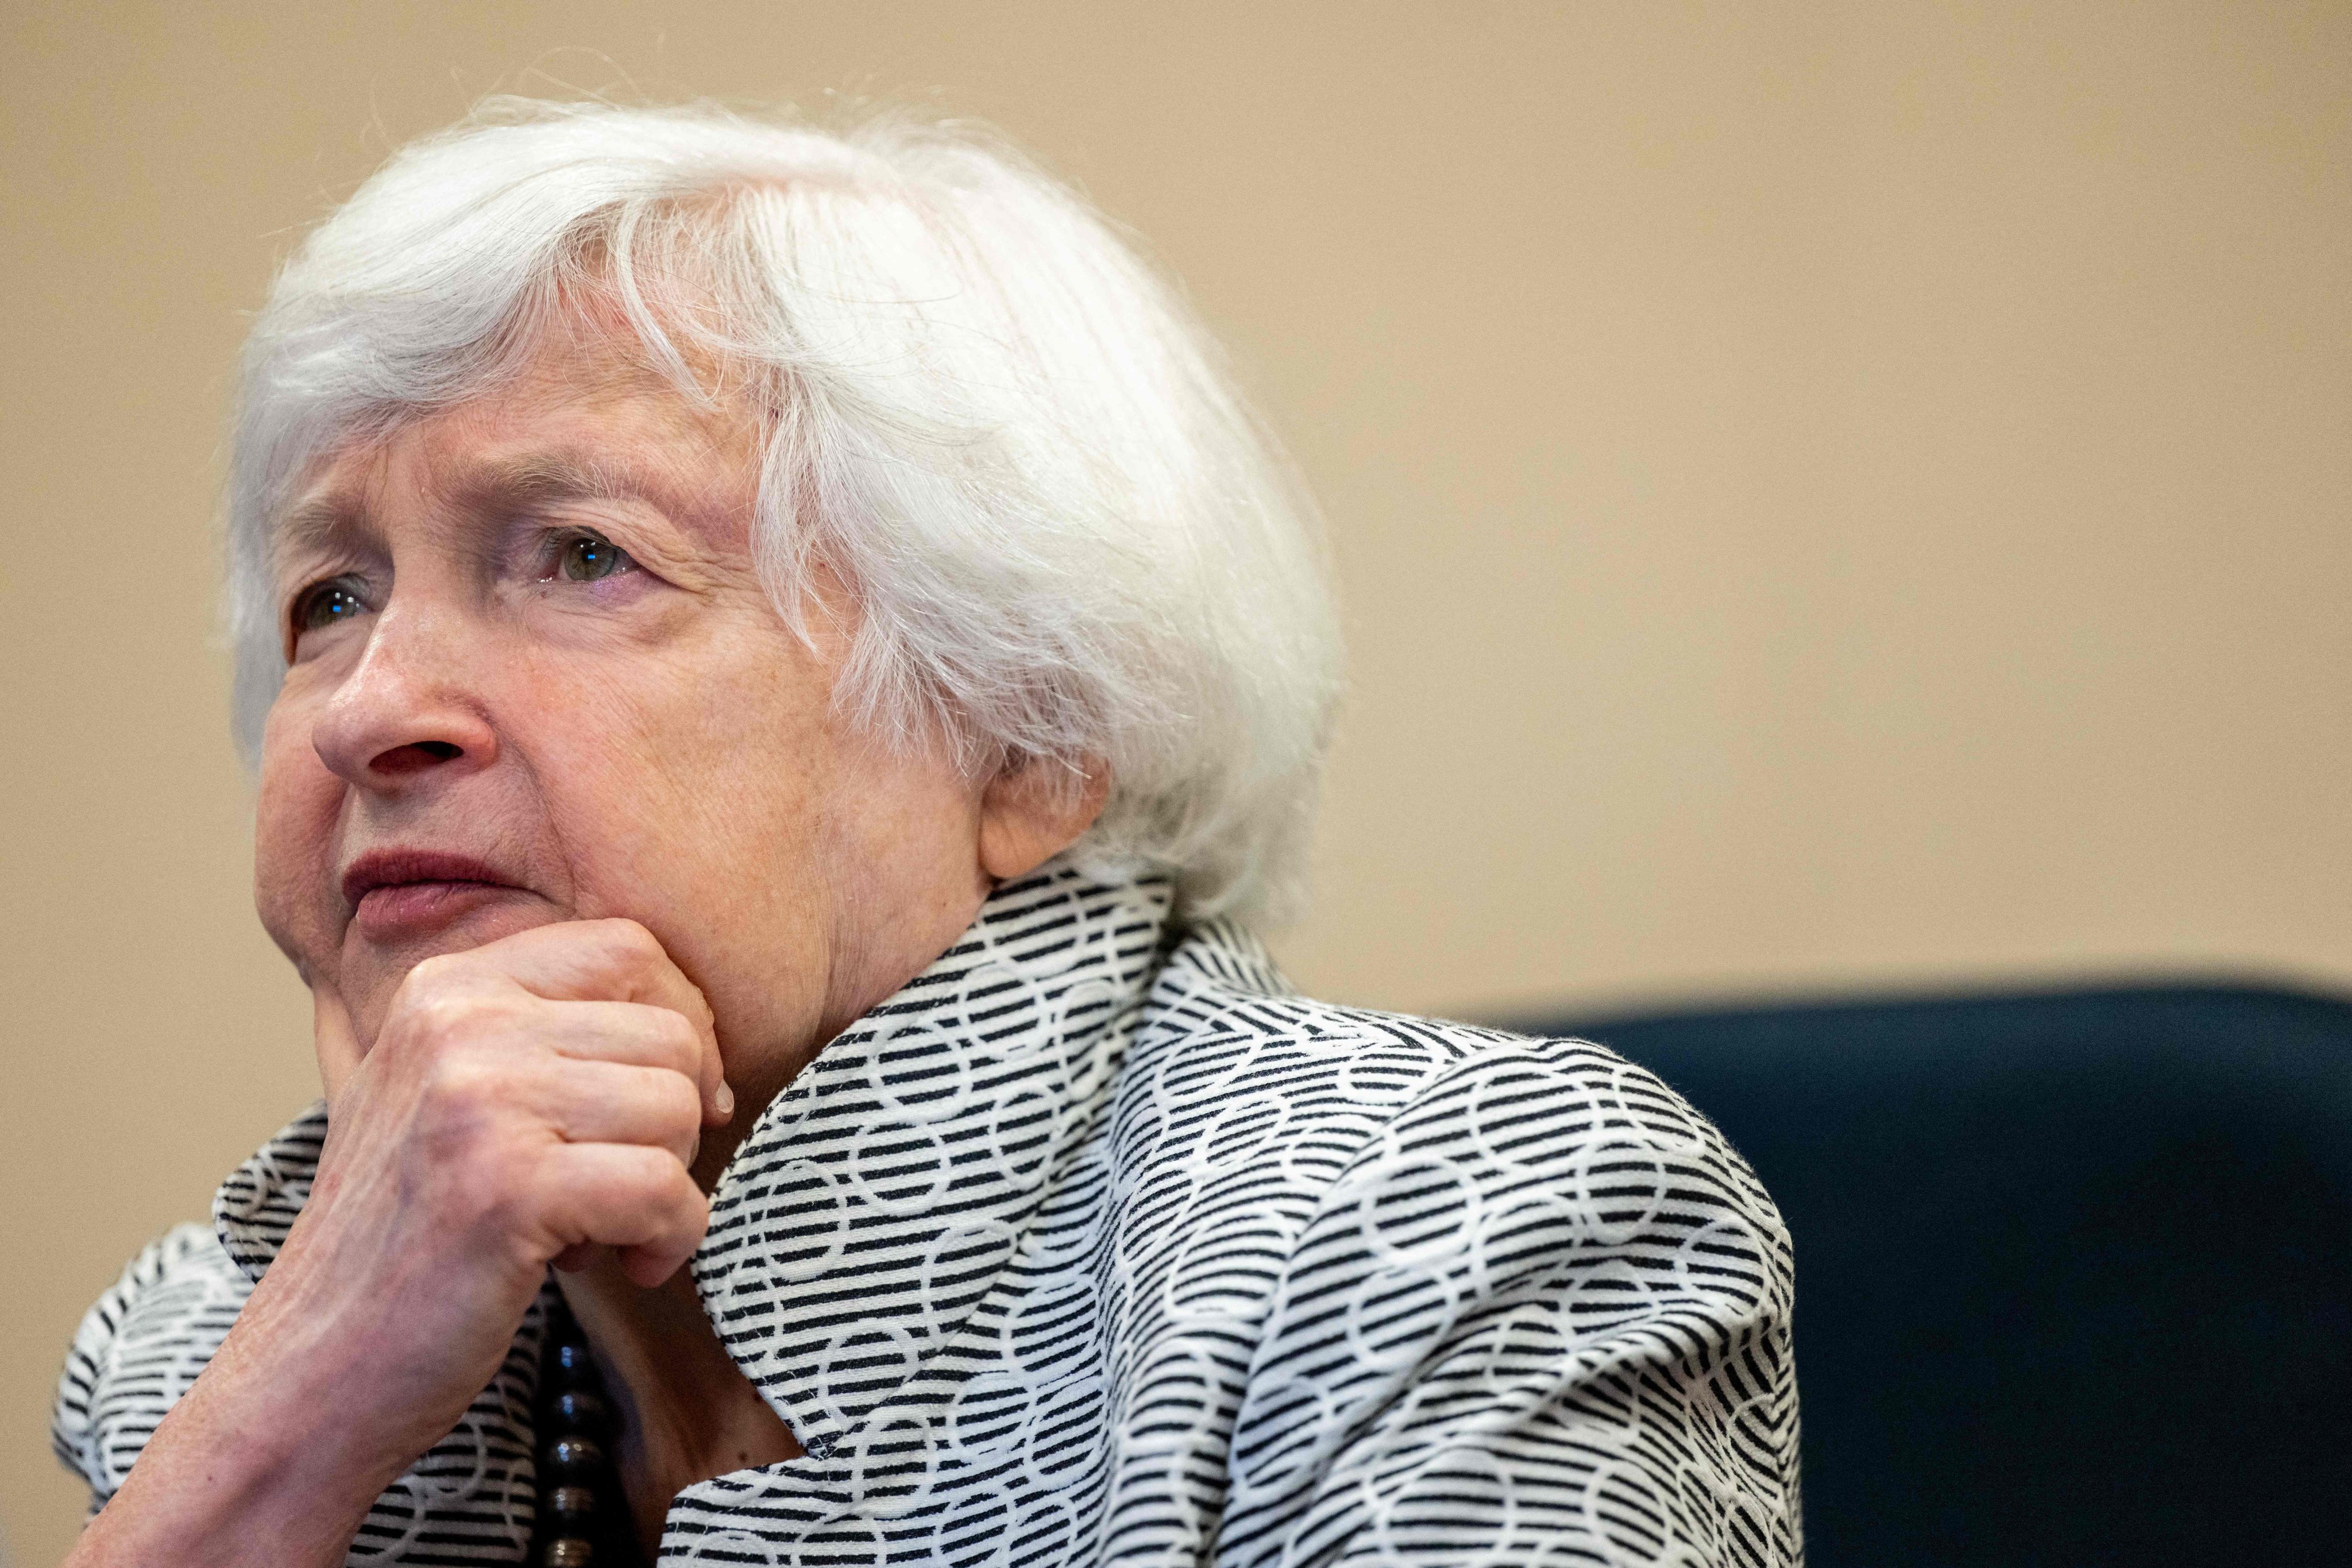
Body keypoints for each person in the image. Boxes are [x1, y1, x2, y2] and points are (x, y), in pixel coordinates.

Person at [52, 99, 1801, 1567]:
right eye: (328, 593)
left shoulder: (1438, 1230)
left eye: (584, 553)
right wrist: (282, 1434)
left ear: (1029, 737)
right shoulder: (226, 1342)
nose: (369, 704)